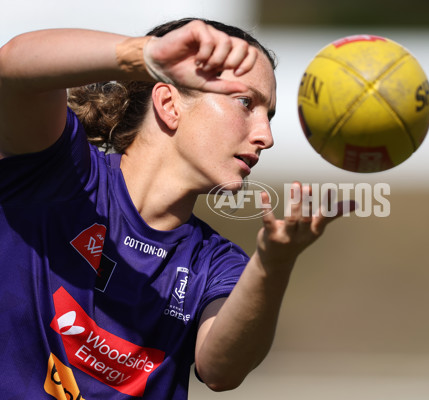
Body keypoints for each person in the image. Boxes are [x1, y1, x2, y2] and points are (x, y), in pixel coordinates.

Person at [0, 17, 353, 399]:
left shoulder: (216, 263)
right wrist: (144, 54)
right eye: (245, 103)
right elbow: (12, 67)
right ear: (169, 104)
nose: (265, 137)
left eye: (267, 117)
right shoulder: (61, 172)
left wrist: (274, 264)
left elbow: (220, 369)